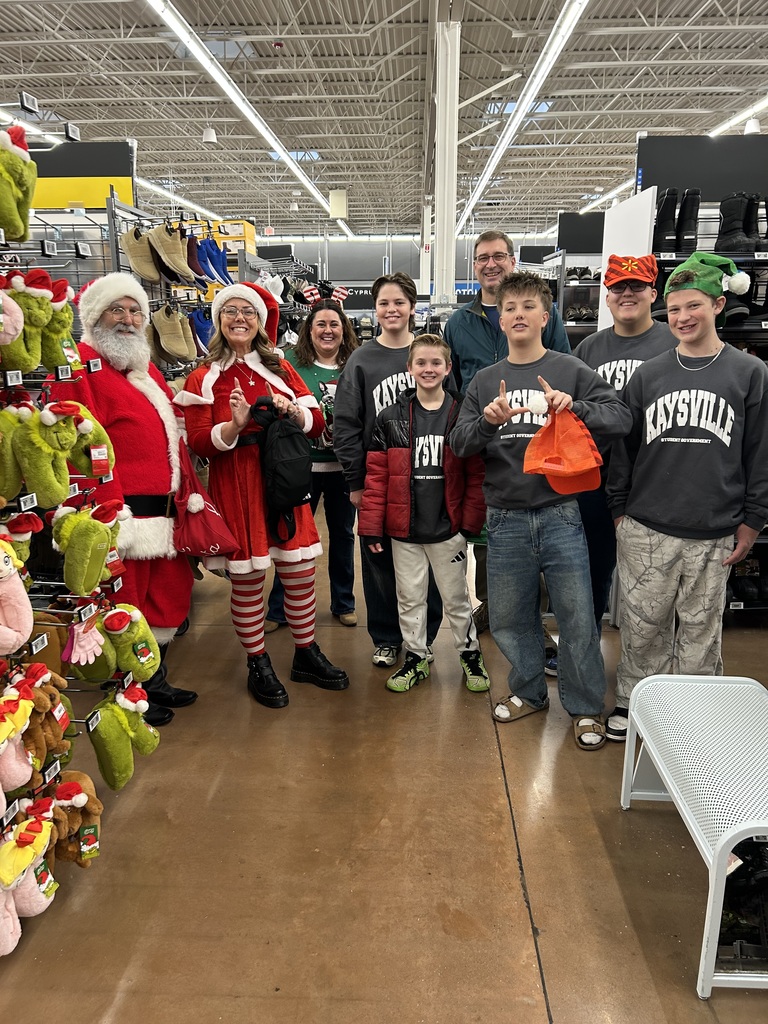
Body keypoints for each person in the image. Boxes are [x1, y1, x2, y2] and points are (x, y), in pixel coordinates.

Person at [451, 271, 632, 750]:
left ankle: (586, 707)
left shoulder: (571, 370)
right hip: (505, 517)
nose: (518, 315)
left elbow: (620, 417)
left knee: (577, 616)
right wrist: (487, 423)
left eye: (529, 306)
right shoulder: (485, 380)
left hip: (561, 514)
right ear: (499, 318)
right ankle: (529, 692)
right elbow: (460, 443)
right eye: (509, 308)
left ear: (545, 315)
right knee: (510, 617)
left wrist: (578, 408)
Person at [605, 251, 768, 741]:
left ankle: (695, 719)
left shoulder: (749, 373)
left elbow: (759, 450)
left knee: (701, 633)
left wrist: (754, 518)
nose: (682, 318)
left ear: (719, 304)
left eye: (693, 306)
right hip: (647, 526)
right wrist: (619, 510)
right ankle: (634, 707)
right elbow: (625, 450)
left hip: (715, 529)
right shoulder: (649, 374)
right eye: (674, 310)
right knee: (642, 628)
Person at [174, 282, 349, 709]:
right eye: (230, 311)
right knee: (249, 580)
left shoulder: (282, 367)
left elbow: (315, 421)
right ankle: (258, 661)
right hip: (237, 484)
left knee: (300, 574)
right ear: (218, 320)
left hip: (285, 479)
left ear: (260, 321)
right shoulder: (203, 375)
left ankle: (305, 652)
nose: (239, 318)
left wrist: (293, 411)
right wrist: (234, 426)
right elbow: (197, 442)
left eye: (248, 312)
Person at [52, 272, 196, 729]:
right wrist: (106, 512)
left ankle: (153, 678)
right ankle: (127, 692)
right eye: (118, 310)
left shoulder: (145, 367)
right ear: (96, 316)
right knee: (125, 606)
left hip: (164, 511)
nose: (129, 319)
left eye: (135, 310)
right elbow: (73, 446)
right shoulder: (81, 369)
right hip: (122, 514)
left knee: (166, 599)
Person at [444, 230, 570, 660]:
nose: (491, 264)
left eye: (499, 256)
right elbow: (454, 385)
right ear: (474, 266)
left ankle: (537, 628)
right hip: (485, 446)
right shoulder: (459, 323)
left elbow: (565, 370)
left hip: (538, 449)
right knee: (489, 533)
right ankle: (494, 609)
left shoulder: (543, 315)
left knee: (540, 537)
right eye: (483, 258)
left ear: (513, 262)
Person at [358, 335, 489, 693]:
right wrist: (371, 528)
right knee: (410, 597)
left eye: (436, 363)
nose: (428, 369)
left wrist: (469, 524)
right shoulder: (390, 419)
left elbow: (477, 476)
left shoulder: (462, 417)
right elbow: (377, 478)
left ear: (448, 368)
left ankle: (469, 654)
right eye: (421, 363)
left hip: (448, 531)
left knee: (456, 600)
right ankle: (416, 657)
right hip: (404, 533)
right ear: (409, 368)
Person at [334, 271, 443, 668]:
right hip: (379, 481)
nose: (391, 309)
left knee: (426, 560)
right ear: (375, 310)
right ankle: (386, 636)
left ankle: (423, 637)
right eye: (383, 303)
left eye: (399, 302)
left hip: (427, 478)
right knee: (378, 560)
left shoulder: (432, 351)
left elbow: (452, 409)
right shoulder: (361, 360)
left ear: (412, 308)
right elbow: (345, 423)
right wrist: (356, 481)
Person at [574, 254, 675, 632]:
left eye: (636, 287)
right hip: (595, 477)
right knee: (593, 568)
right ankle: (587, 641)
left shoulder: (673, 342)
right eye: (618, 288)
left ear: (654, 292)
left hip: (653, 476)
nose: (626, 294)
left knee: (655, 574)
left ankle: (650, 657)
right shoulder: (589, 350)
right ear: (607, 297)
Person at [264, 299, 359, 631]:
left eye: (334, 324)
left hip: (344, 469)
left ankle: (344, 602)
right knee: (291, 537)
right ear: (309, 329)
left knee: (344, 536)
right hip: (300, 468)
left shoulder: (355, 364)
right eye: (321, 324)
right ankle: (278, 609)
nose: (328, 330)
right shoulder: (289, 362)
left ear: (344, 329)